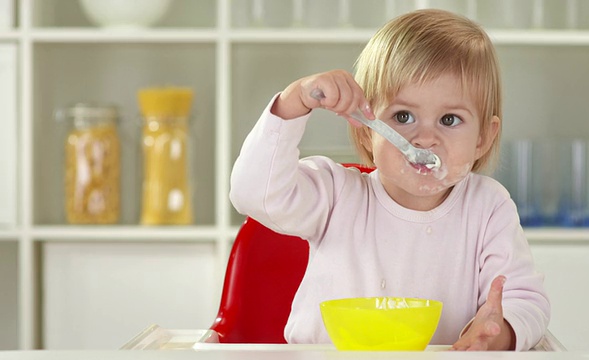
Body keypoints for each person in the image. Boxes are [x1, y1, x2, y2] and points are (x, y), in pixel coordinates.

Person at [229, 9, 550, 351]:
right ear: (368, 133)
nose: (425, 138)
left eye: (450, 119)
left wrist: (497, 332)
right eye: (403, 116)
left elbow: (523, 298)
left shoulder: (488, 207)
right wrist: (294, 102)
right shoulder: (337, 195)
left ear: (483, 138)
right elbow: (252, 193)